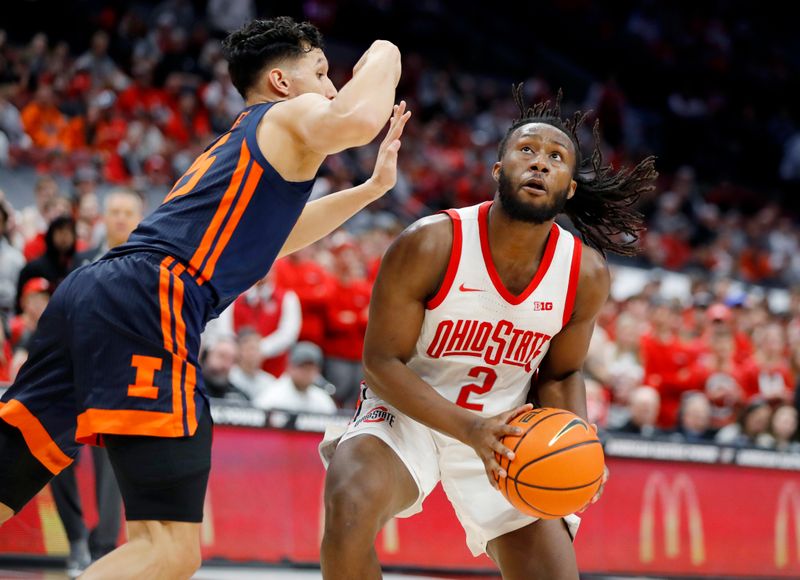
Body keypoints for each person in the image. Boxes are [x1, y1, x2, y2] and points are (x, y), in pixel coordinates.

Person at [0, 16, 408, 580]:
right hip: (152, 299)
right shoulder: (286, 115)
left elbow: (273, 240)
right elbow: (359, 118)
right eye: (321, 71)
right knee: (169, 550)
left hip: (100, 291)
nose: (334, 85)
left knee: (11, 471)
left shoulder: (247, 142)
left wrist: (368, 191)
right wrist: (385, 51)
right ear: (283, 83)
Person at [321, 86, 657, 579]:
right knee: (348, 502)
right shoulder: (431, 243)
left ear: (569, 188)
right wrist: (468, 429)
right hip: (408, 409)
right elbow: (381, 363)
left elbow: (562, 372)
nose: (540, 163)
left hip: (508, 430)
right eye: (526, 151)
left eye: (556, 157)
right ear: (498, 172)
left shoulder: (584, 274)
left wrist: (581, 437)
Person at [50, 188, 145, 575]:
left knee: (112, 471)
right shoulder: (83, 261)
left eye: (128, 212)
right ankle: (76, 539)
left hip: (121, 380)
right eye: (114, 211)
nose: (120, 218)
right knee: (55, 456)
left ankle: (103, 548)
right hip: (75, 378)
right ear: (102, 217)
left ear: (139, 219)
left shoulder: (148, 263)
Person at [253, 341, 337, 414]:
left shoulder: (321, 398)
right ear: (290, 367)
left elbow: (335, 425)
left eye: (310, 368)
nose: (306, 373)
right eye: (302, 367)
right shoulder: (273, 395)